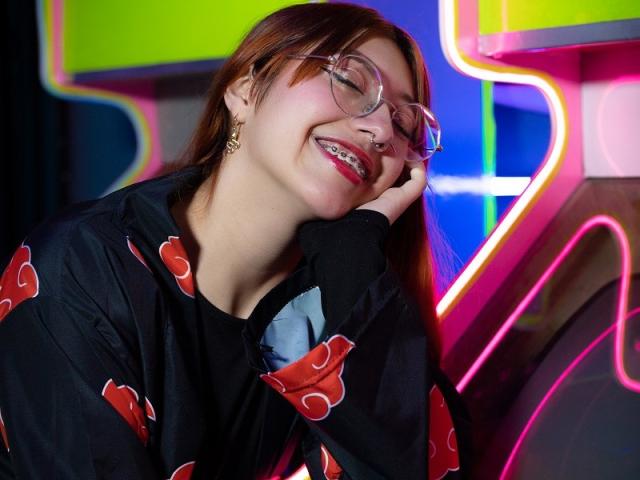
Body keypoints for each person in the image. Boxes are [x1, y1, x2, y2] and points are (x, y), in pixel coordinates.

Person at [0, 3, 469, 479]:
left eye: (404, 126)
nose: (382, 131)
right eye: (350, 81)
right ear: (245, 90)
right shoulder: (82, 269)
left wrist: (354, 261)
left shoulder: (328, 300)